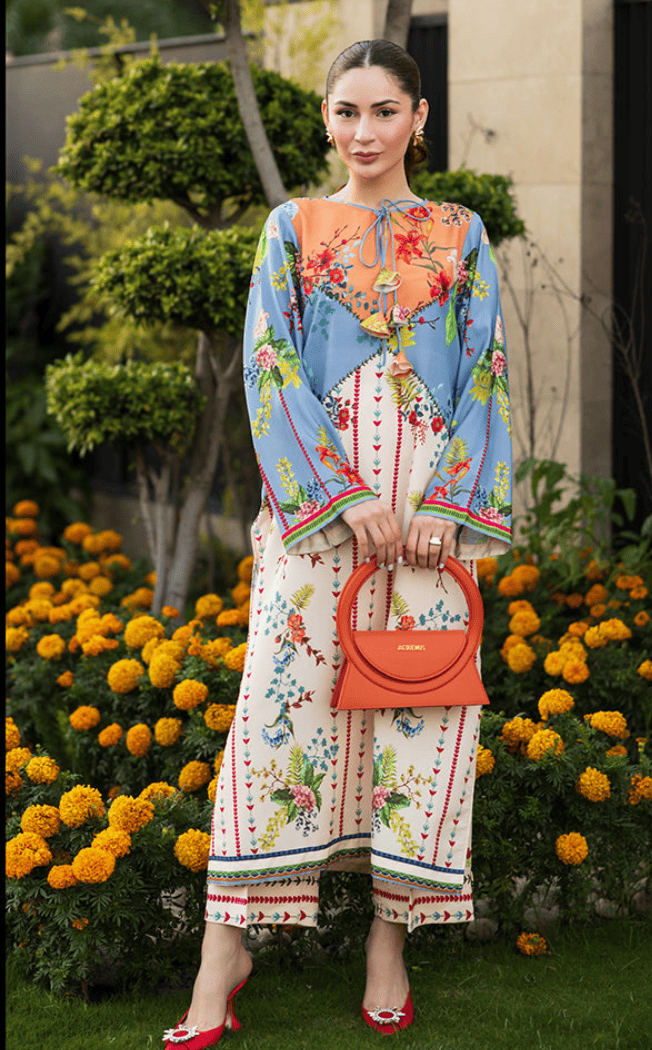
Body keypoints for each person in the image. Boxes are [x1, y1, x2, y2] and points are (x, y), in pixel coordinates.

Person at [162, 38, 511, 1048]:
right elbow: (267, 366)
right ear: (325, 118)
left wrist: (446, 502)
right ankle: (222, 960)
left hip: (431, 522)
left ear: (418, 117)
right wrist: (340, 495)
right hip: (318, 516)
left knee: (421, 714)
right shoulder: (292, 229)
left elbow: (485, 371)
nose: (364, 132)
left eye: (384, 111)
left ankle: (386, 947)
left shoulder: (460, 234)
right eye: (347, 112)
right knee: (276, 718)